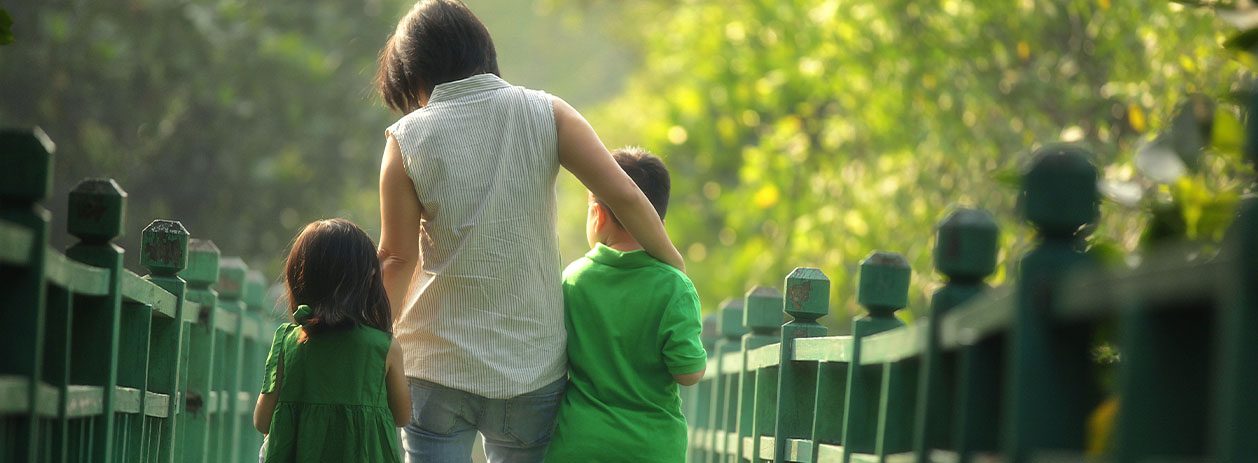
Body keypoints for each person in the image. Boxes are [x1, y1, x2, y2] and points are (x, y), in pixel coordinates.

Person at [373, 1, 686, 461]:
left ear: (416, 75)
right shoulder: (548, 113)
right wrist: (673, 265)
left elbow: (396, 260)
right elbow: (622, 196)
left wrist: (372, 343)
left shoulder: (406, 139)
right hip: (530, 369)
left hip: (434, 365)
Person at [544, 148, 706, 463]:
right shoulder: (675, 287)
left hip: (579, 443)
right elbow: (688, 372)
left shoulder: (573, 280)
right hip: (651, 448)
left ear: (598, 214)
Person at [253, 219, 412, 463]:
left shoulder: (287, 342)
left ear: (297, 278)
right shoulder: (384, 347)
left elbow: (261, 421)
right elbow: (402, 416)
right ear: (369, 279)